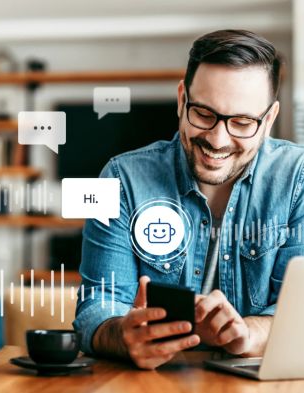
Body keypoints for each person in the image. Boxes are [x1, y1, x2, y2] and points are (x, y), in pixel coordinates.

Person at [73, 29, 304, 370]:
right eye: (204, 114)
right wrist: (123, 335)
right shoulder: (120, 178)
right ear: (182, 99)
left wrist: (247, 333)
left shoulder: (298, 178)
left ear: (268, 120)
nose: (218, 139)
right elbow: (96, 307)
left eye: (241, 122)